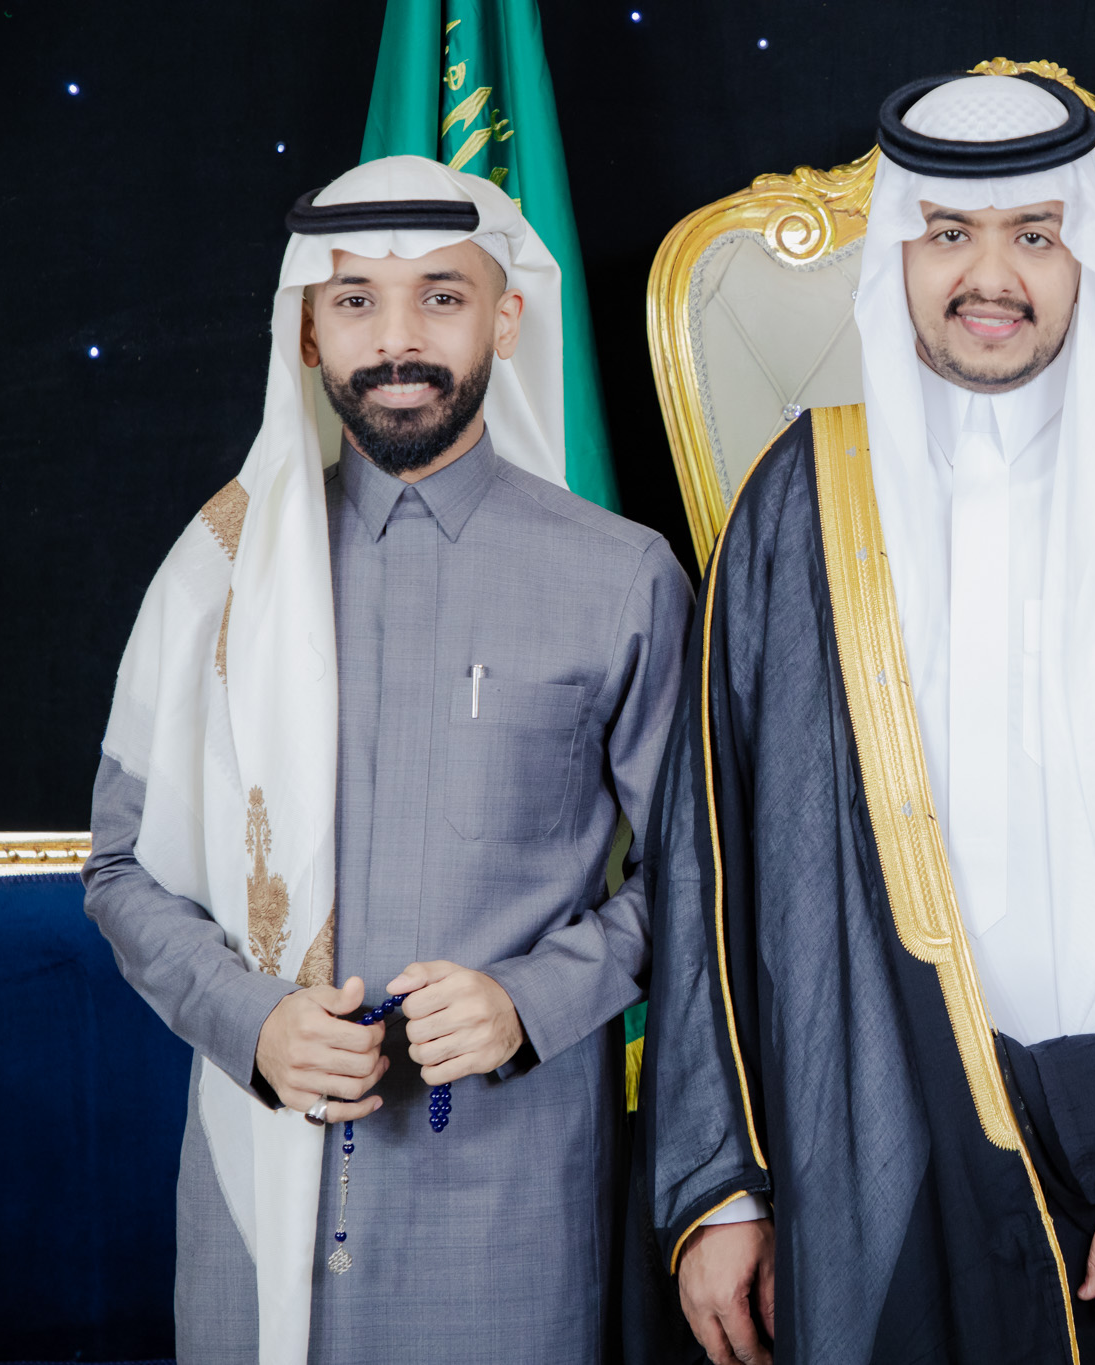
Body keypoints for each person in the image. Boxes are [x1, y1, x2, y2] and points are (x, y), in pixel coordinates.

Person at [638, 73, 1095, 1364]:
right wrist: (724, 1188)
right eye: (949, 235)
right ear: (898, 252)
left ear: (1082, 254)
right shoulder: (799, 501)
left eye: (1034, 234)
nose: (992, 277)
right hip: (883, 1145)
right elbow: (714, 859)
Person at [82, 155, 691, 1364]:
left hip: (516, 1206)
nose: (397, 339)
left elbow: (706, 880)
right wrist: (253, 1023)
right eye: (356, 299)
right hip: (257, 1190)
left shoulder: (621, 577)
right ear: (308, 330)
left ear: (504, 319)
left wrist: (532, 998)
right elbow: (120, 868)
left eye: (441, 297)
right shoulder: (219, 571)